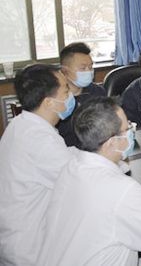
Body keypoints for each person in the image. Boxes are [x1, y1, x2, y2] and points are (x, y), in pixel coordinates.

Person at [37, 97, 141, 265]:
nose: (130, 133)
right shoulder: (119, 189)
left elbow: (129, 201)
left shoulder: (73, 166)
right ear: (111, 143)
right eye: (127, 129)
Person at [0, 64, 76, 265]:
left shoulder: (22, 123)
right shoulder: (40, 140)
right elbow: (79, 183)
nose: (70, 96)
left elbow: (64, 160)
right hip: (31, 249)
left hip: (19, 235)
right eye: (66, 91)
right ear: (49, 102)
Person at [58, 42, 106, 147]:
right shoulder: (55, 99)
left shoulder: (98, 92)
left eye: (91, 67)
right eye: (83, 68)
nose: (89, 72)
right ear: (64, 71)